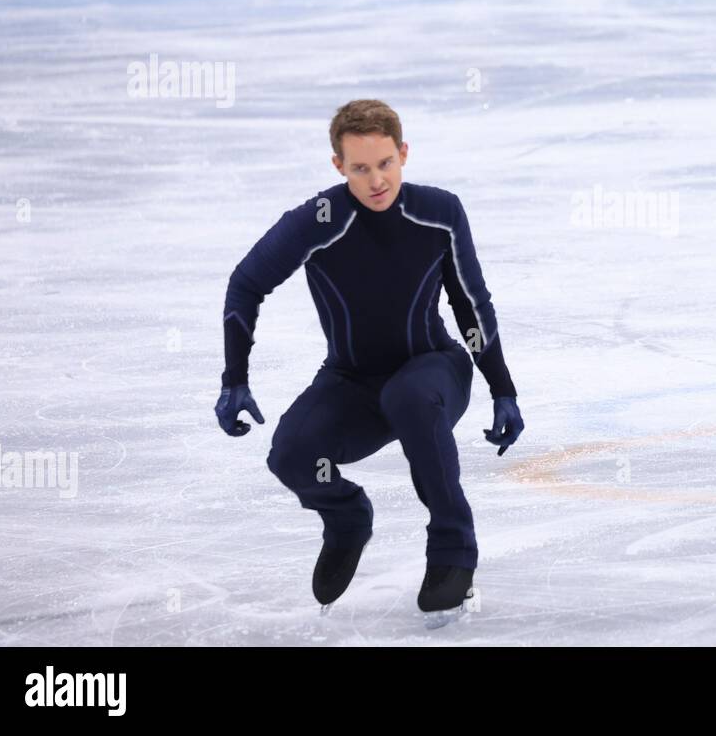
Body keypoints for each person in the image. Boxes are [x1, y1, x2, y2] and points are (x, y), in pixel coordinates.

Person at [214, 99, 524, 626]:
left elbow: (471, 303)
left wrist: (502, 388)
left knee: (409, 396)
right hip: (352, 382)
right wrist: (234, 378)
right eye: (360, 168)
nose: (376, 179)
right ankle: (346, 516)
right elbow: (246, 284)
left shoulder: (439, 211)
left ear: (403, 153)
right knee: (291, 455)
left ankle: (453, 547)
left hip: (434, 371)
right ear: (339, 166)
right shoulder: (319, 220)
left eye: (386, 163)